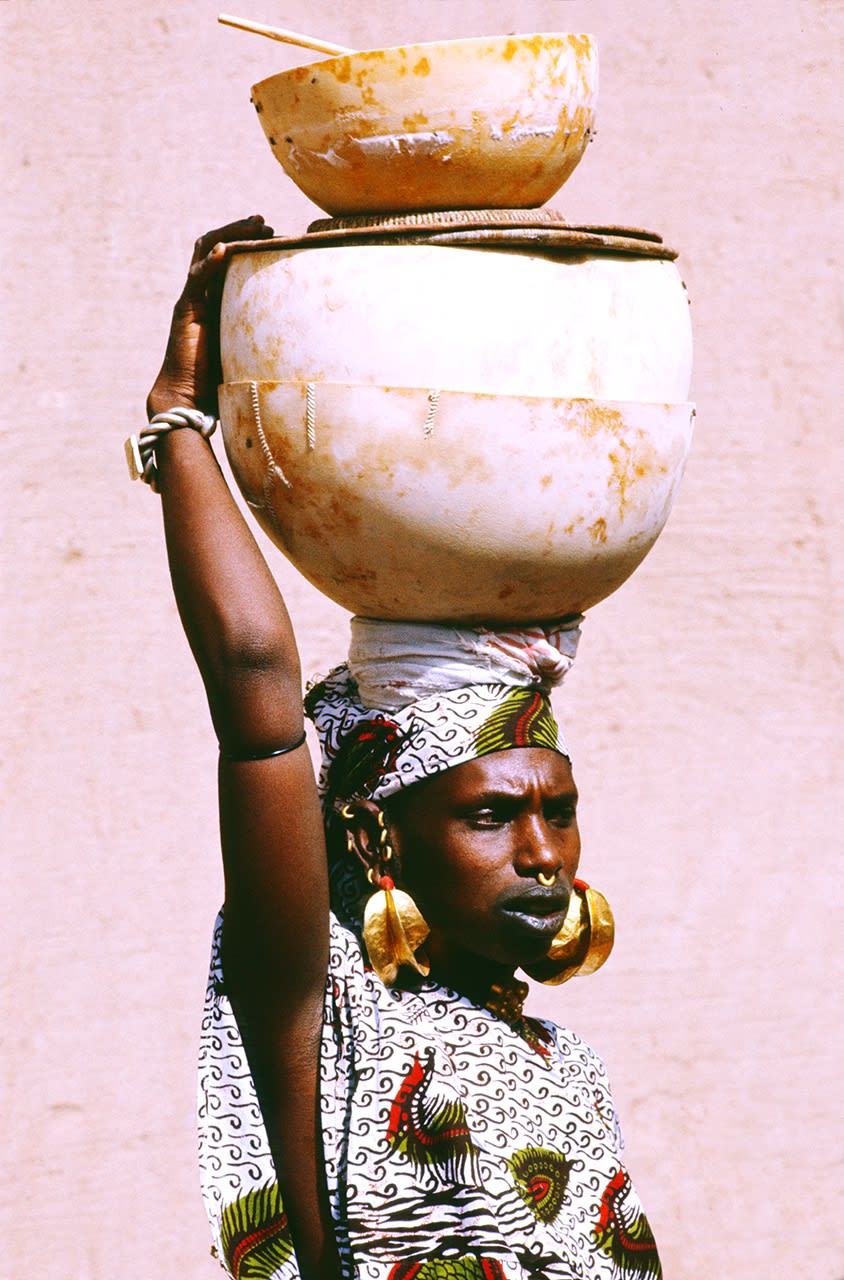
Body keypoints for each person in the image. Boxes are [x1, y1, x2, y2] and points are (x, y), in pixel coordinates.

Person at [140, 218, 662, 1280]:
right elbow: (254, 684)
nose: (542, 851)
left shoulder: (570, 1072)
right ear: (380, 840)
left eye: (555, 809)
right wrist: (180, 422)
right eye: (487, 813)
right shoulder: (328, 1023)